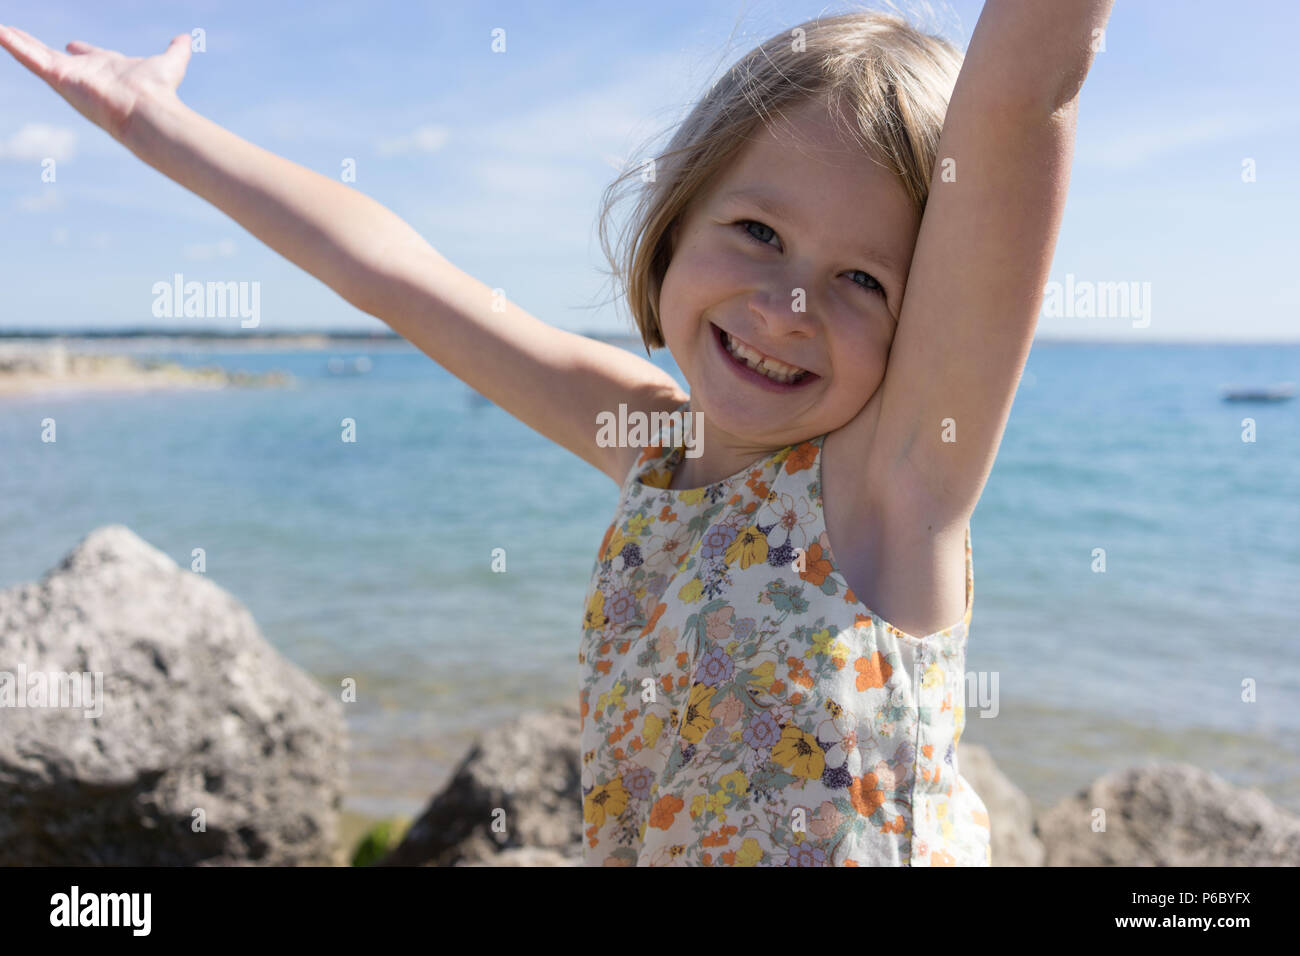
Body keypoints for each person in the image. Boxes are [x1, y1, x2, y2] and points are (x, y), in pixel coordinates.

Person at [0, 0, 1113, 866]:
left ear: (926, 324)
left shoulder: (892, 490)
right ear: (674, 227)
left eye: (861, 278)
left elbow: (1021, 100)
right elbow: (395, 274)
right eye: (758, 230)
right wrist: (156, 123)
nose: (787, 305)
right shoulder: (649, 442)